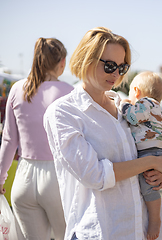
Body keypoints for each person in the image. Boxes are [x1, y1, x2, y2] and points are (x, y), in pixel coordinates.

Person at [43, 27, 162, 240]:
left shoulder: (123, 105)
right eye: (109, 65)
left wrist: (160, 171)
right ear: (86, 59)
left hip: (140, 228)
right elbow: (95, 175)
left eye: (122, 67)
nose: (116, 74)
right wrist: (152, 162)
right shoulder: (63, 112)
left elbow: (146, 148)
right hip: (101, 229)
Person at [0, 37, 73, 240]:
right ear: (62, 62)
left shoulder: (17, 89)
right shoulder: (69, 92)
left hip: (23, 178)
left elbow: (8, 140)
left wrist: (0, 177)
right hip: (58, 178)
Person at [120, 71, 162, 240]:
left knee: (148, 186)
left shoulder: (146, 103)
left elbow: (133, 117)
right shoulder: (155, 106)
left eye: (130, 95)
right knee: (150, 183)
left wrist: (124, 105)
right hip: (158, 149)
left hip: (151, 150)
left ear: (136, 91)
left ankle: (155, 219)